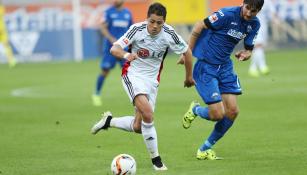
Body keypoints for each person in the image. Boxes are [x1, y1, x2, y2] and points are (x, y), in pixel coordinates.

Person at [91, 2, 195, 171]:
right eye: (152, 21)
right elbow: (114, 48)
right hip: (132, 75)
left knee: (139, 127)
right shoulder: (137, 29)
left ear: (164, 22)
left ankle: (109, 121)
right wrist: (126, 54)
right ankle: (157, 161)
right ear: (147, 18)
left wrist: (189, 77)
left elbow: (187, 52)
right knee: (148, 114)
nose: (154, 26)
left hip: (152, 82)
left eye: (159, 23)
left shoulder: (169, 34)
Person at [180, 0, 264, 160]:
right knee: (218, 114)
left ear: (258, 11)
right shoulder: (226, 14)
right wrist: (188, 52)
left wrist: (246, 54)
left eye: (253, 11)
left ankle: (204, 149)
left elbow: (248, 49)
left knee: (232, 111)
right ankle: (196, 110)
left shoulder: (254, 24)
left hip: (225, 67)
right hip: (206, 67)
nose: (248, 13)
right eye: (247, 8)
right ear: (243, 4)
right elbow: (199, 25)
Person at [92, 0, 133, 106]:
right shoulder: (108, 12)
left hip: (123, 49)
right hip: (111, 49)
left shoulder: (127, 13)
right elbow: (102, 27)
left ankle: (134, 96)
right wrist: (111, 39)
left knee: (128, 73)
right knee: (105, 71)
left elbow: (131, 30)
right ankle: (96, 94)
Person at [248, 0, 277, 77]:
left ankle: (252, 68)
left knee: (258, 48)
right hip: (254, 25)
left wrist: (275, 20)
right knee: (258, 45)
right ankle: (263, 66)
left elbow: (272, 11)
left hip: (264, 26)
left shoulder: (267, 1)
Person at [0, 2, 16, 68]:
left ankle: (11, 60)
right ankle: (11, 60)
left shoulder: (1, 8)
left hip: (2, 29)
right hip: (2, 29)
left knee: (6, 44)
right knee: (6, 45)